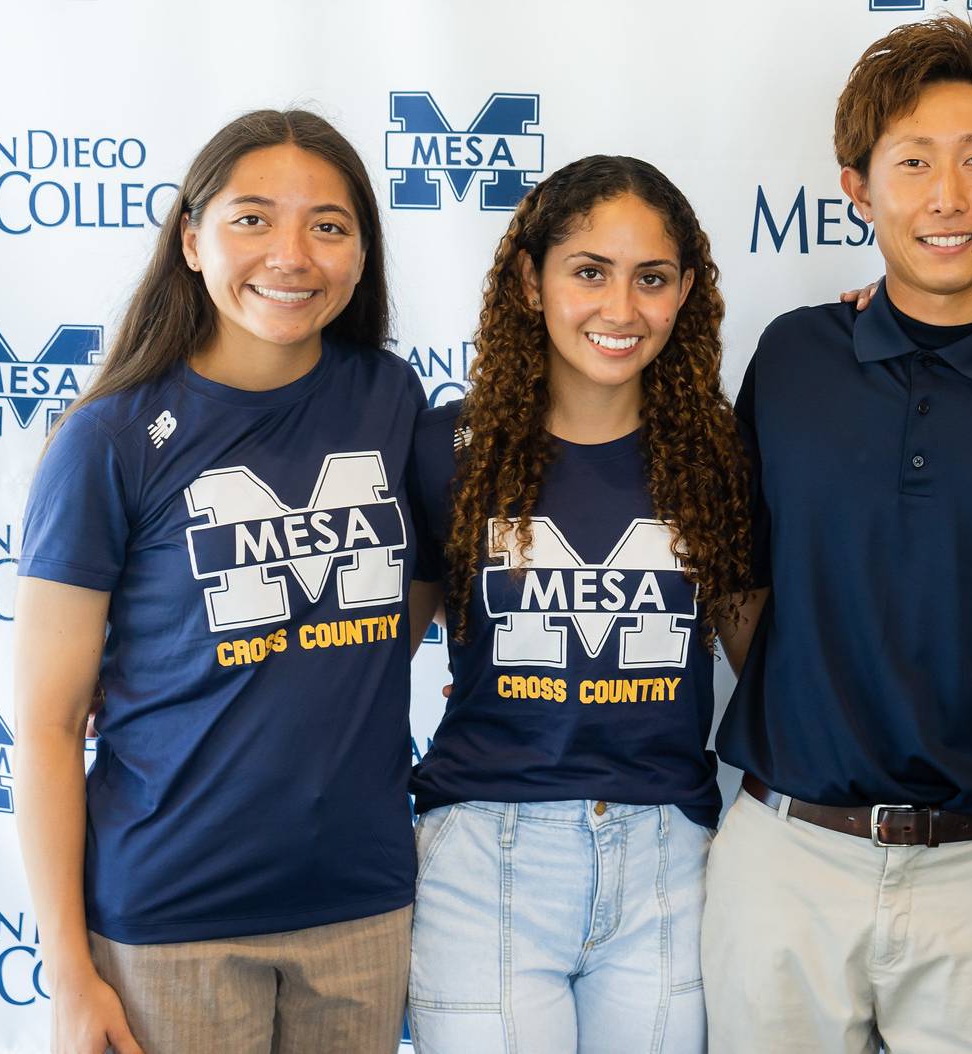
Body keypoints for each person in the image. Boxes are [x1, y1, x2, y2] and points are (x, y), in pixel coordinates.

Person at [700, 16, 972, 1054]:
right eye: (911, 163)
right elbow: (740, 570)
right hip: (784, 861)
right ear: (857, 187)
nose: (947, 196)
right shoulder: (796, 356)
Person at [14, 109, 420, 1054]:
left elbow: (405, 610)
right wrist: (68, 975)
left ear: (361, 254)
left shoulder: (388, 398)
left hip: (359, 907)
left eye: (328, 224)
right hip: (169, 920)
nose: (292, 253)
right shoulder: (108, 440)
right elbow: (44, 722)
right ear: (190, 239)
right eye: (252, 219)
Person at [402, 155, 757, 1052]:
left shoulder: (723, 458)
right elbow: (361, 657)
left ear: (686, 292)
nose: (621, 309)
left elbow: (766, 665)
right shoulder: (446, 449)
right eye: (589, 271)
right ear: (531, 280)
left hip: (667, 858)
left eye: (652, 278)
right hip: (484, 851)